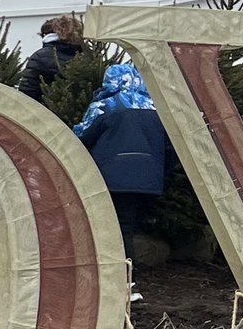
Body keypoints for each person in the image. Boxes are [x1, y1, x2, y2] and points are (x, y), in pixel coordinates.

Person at [73, 60, 170, 261]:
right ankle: (127, 275)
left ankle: (126, 280)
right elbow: (169, 147)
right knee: (129, 225)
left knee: (115, 227)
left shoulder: (105, 106)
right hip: (149, 178)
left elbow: (81, 139)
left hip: (113, 176)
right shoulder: (156, 108)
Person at [20, 14, 86, 100]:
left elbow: (26, 92)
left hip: (45, 111)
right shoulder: (88, 56)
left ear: (46, 36)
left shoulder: (40, 56)